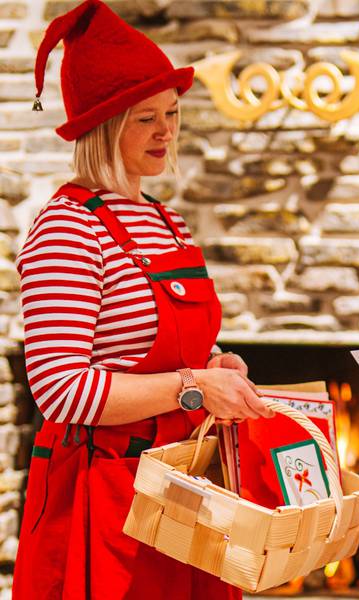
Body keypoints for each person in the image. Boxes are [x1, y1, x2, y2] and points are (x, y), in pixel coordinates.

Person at [13, 1, 273, 598]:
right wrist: (193, 386)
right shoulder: (65, 230)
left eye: (173, 114)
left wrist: (214, 364)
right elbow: (59, 389)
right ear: (101, 126)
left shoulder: (165, 219)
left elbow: (168, 348)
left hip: (185, 488)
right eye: (145, 118)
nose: (166, 132)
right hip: (107, 498)